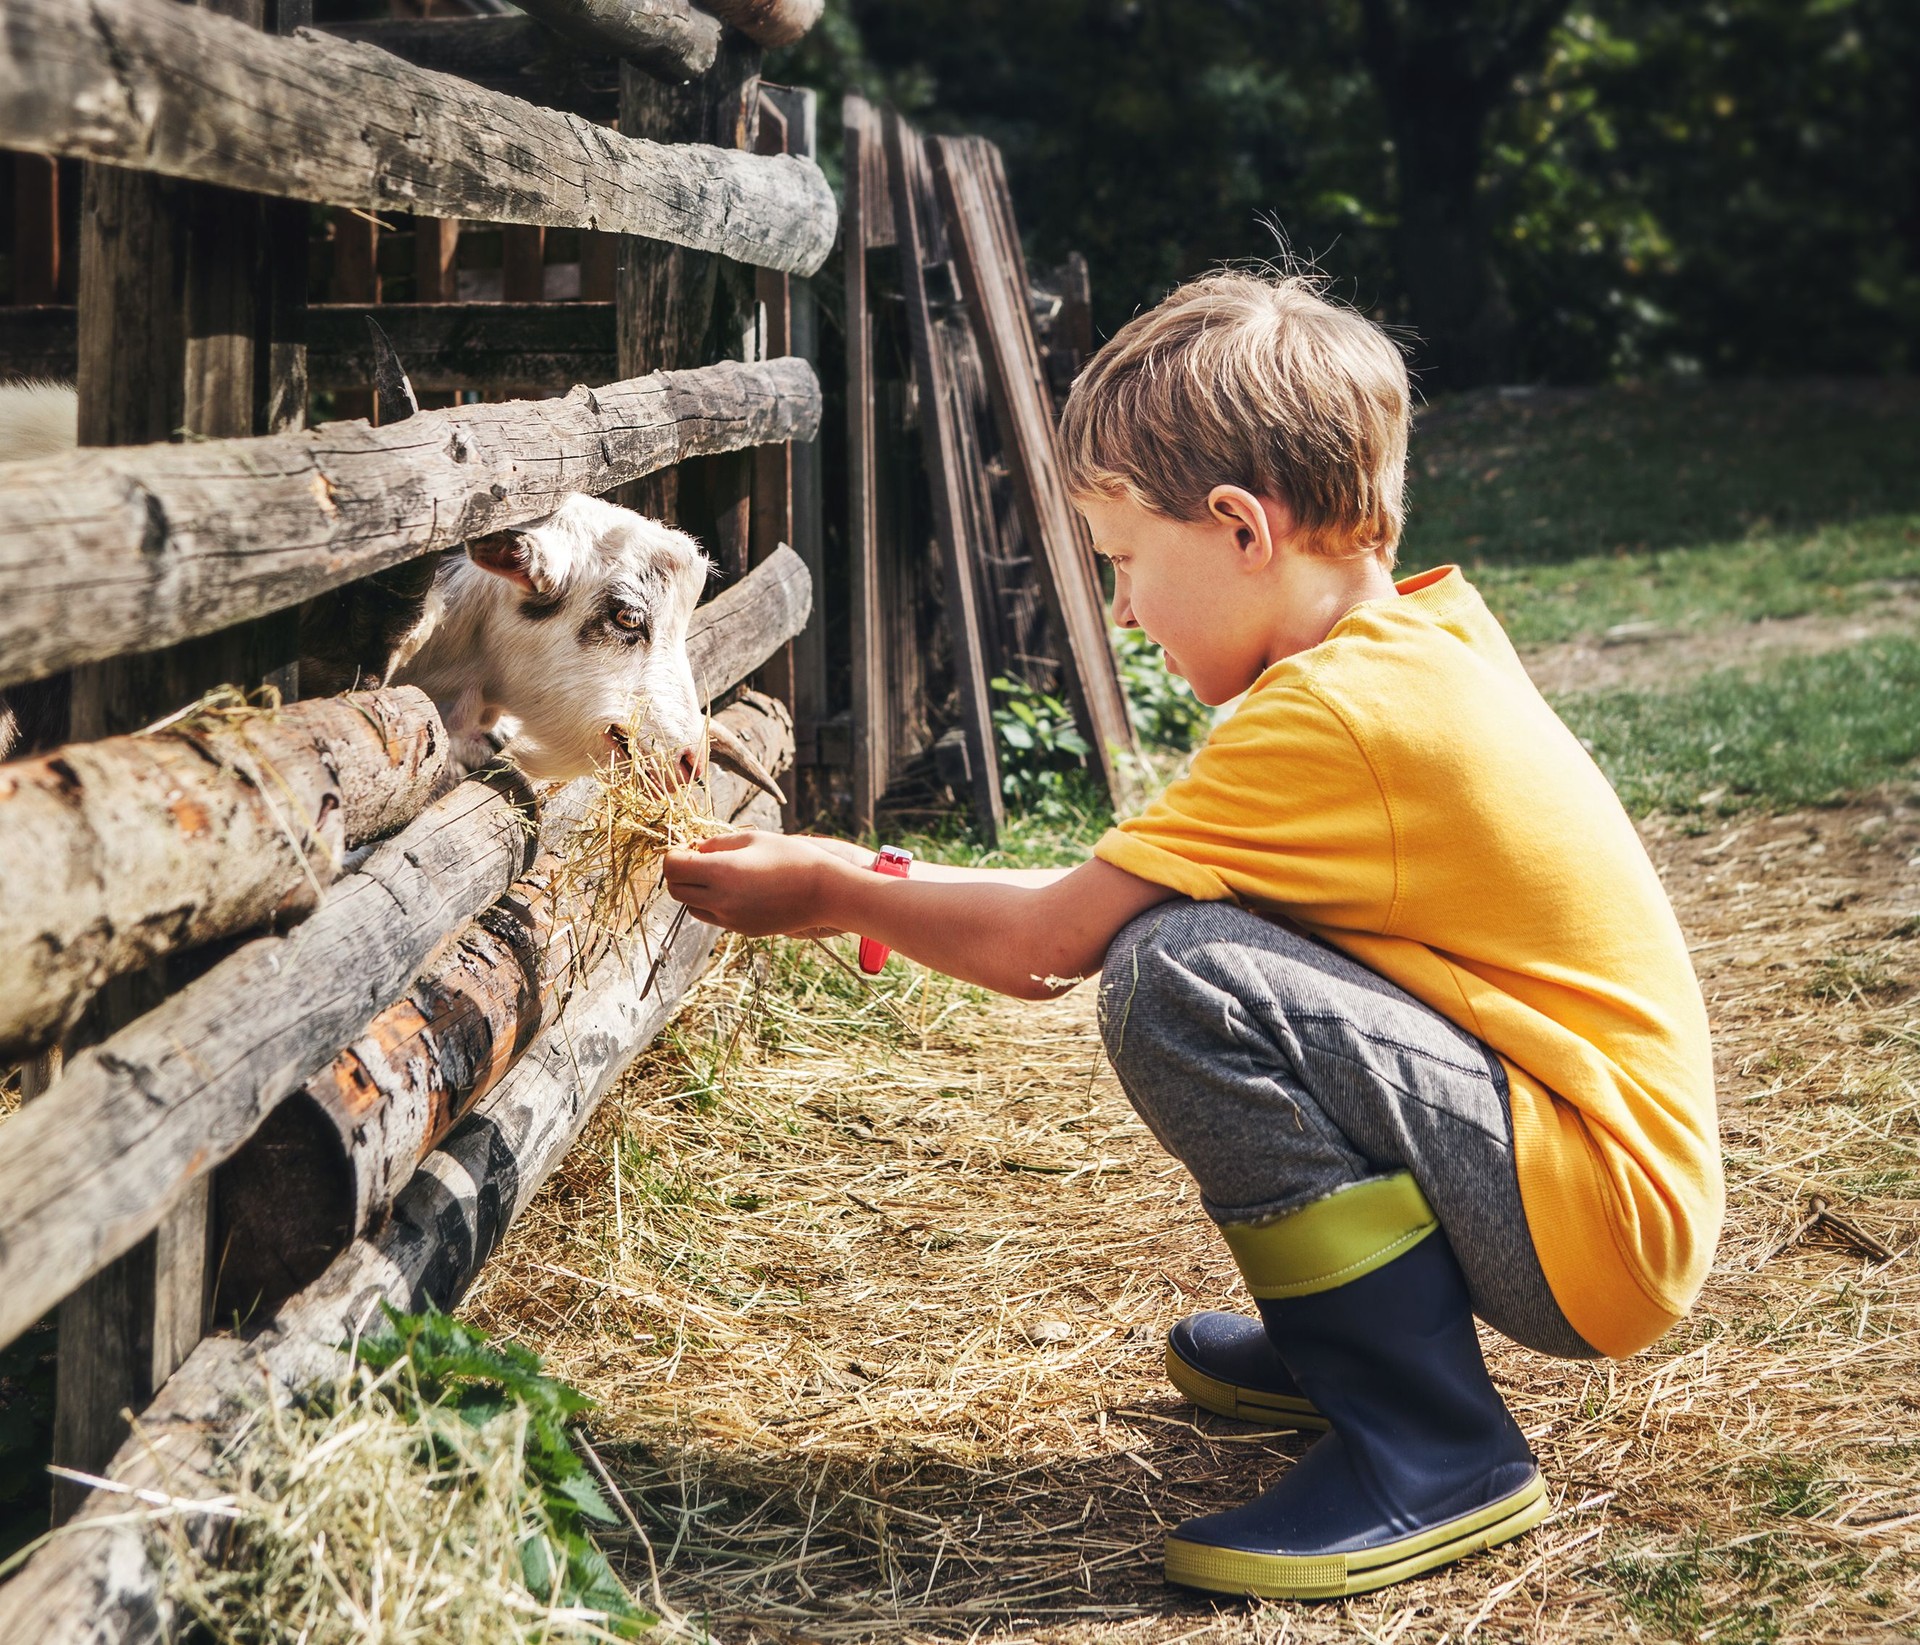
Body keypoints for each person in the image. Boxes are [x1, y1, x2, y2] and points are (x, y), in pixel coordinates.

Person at [661, 269, 1721, 1602]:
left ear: (1237, 528)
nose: (1120, 612)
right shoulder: (1415, 639)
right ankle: (1362, 1348)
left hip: (1595, 1222)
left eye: (1124, 562)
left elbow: (1052, 940)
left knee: (1181, 981)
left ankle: (1435, 1445)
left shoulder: (1326, 720)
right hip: (1596, 1177)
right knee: (1196, 940)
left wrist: (832, 889)